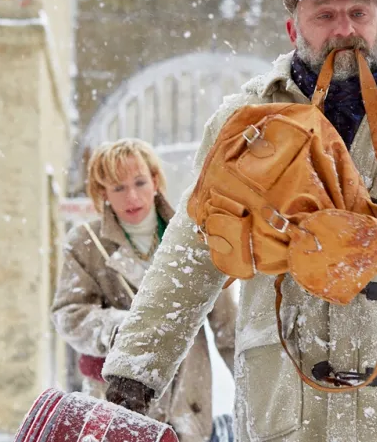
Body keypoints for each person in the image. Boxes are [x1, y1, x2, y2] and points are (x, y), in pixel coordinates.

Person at [101, 0, 377, 441]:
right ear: (294, 30)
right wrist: (136, 369)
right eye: (325, 16)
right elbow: (192, 251)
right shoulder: (242, 124)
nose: (344, 30)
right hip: (286, 402)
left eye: (357, 14)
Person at [51, 138, 238, 442]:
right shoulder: (85, 243)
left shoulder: (194, 235)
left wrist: (255, 385)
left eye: (139, 182)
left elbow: (229, 328)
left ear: (155, 181)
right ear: (103, 194)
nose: (132, 196)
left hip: (187, 400)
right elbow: (69, 315)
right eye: (118, 187)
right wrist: (123, 329)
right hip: (116, 405)